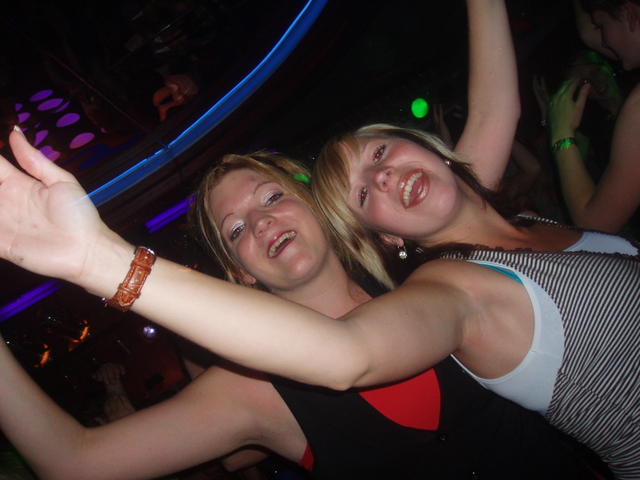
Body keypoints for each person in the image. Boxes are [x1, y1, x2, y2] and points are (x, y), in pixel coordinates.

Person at [546, 0, 640, 234]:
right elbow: (589, 34)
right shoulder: (596, 125)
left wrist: (560, 132)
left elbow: (595, 223)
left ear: (629, 13)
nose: (604, 41)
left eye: (601, 25)